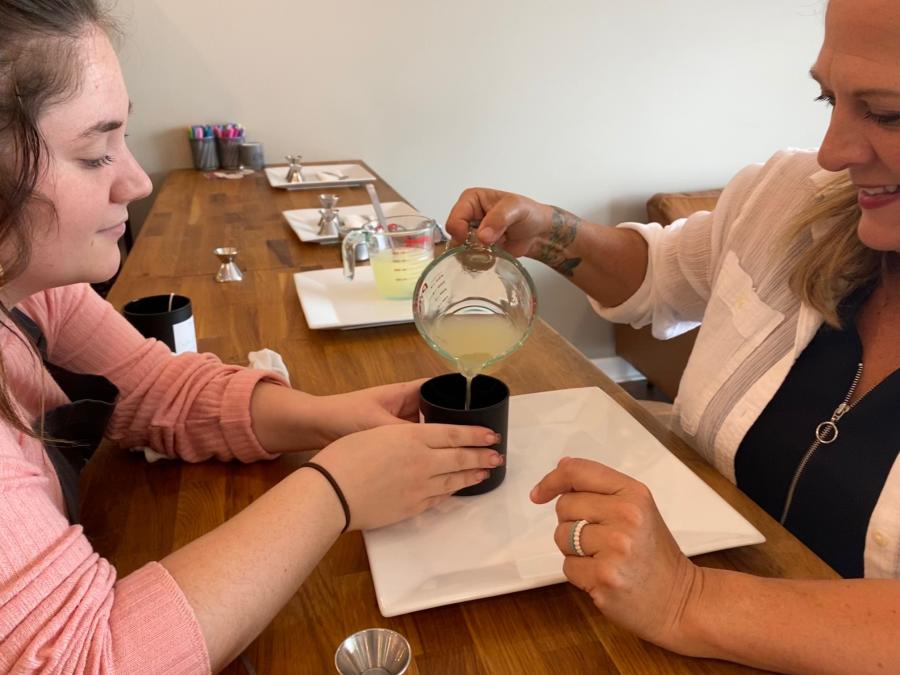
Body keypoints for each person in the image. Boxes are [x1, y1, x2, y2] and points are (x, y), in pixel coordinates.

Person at [0, 1, 505, 672]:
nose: (137, 178)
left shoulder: (30, 285)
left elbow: (154, 385)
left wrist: (325, 419)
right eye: (96, 154)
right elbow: (91, 658)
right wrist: (334, 491)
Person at [447, 0, 900, 671]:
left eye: (887, 111)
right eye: (827, 96)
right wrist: (547, 230)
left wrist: (688, 596)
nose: (834, 149)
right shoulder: (792, 194)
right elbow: (661, 272)